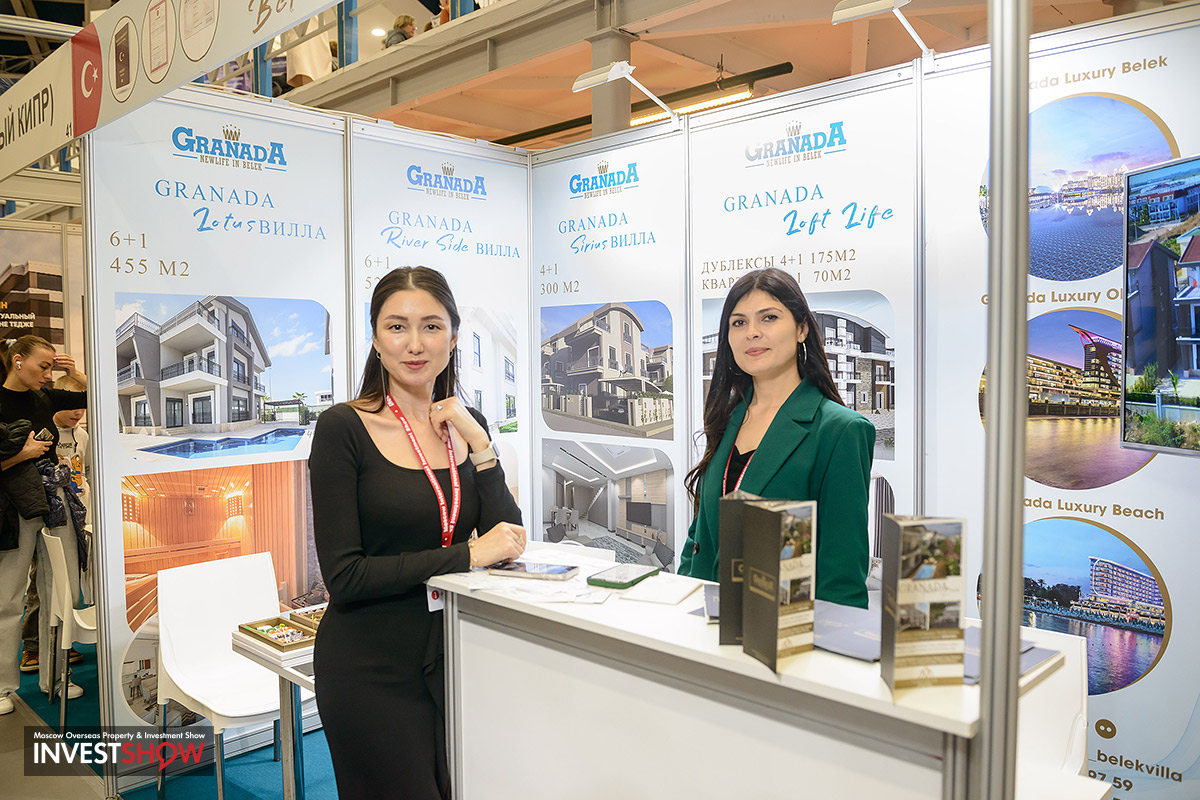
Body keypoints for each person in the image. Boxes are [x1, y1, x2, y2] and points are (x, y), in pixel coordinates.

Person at [310, 266, 524, 799]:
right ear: (375, 338)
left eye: (431, 326)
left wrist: (481, 446)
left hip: (455, 653)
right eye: (396, 326)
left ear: (453, 338)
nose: (414, 343)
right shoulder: (343, 429)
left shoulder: (466, 427)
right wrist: (467, 556)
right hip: (371, 665)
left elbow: (508, 537)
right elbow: (345, 577)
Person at [678, 268, 873, 608]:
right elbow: (702, 532)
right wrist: (681, 594)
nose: (752, 332)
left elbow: (841, 576)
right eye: (738, 323)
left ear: (802, 329)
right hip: (702, 621)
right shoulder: (726, 418)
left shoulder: (840, 430)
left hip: (783, 631)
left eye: (768, 318)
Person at [0, 335, 87, 716]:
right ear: (17, 360)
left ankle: (56, 676)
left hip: (54, 501)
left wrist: (75, 373)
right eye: (43, 366)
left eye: (52, 367)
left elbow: (94, 398)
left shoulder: (45, 398)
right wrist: (23, 454)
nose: (48, 375)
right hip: (13, 506)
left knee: (62, 593)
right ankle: (2, 687)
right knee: (8, 599)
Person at [19, 374, 91, 676]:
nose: (78, 412)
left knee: (69, 583)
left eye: (82, 407)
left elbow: (87, 471)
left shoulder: (84, 435)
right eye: (72, 404)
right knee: (42, 583)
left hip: (77, 516)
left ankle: (64, 640)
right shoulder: (43, 431)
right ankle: (33, 646)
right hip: (47, 515)